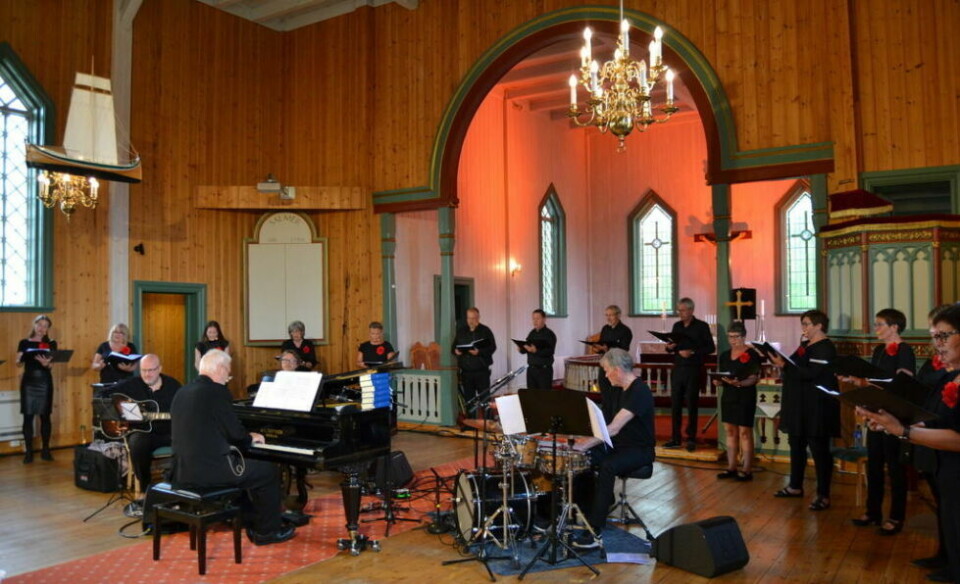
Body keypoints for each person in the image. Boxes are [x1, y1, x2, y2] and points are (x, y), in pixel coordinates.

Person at [859, 304, 960, 583]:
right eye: (933, 336)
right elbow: (936, 416)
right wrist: (894, 423)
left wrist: (903, 430)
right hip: (944, 462)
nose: (935, 344)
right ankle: (950, 560)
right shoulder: (951, 375)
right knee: (949, 515)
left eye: (942, 336)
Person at [170, 350, 295, 546]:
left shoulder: (182, 391)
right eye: (228, 371)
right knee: (267, 470)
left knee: (248, 467)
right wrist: (250, 437)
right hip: (210, 471)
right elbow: (235, 434)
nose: (228, 376)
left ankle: (249, 518)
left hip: (182, 470)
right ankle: (267, 532)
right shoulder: (217, 392)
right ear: (219, 369)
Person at [571, 348, 655, 550]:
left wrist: (586, 443)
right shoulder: (617, 390)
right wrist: (580, 436)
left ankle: (595, 530)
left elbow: (614, 428)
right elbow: (603, 422)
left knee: (607, 465)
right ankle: (592, 506)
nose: (606, 375)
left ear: (617, 370)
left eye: (607, 370)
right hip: (619, 446)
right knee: (584, 459)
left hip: (640, 450)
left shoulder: (639, 391)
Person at [848, 309, 916, 535]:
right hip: (876, 414)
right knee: (875, 465)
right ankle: (873, 512)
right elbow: (874, 383)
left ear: (894, 327)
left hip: (894, 416)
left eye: (879, 324)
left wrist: (887, 413)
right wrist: (860, 390)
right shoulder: (878, 350)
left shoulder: (905, 351)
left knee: (895, 469)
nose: (875, 328)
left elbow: (902, 386)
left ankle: (896, 517)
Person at [766, 309, 839, 512]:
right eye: (803, 324)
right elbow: (793, 363)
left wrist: (786, 367)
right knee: (796, 445)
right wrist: (779, 361)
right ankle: (795, 486)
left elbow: (811, 374)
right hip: (799, 405)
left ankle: (823, 495)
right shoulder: (805, 345)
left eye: (806, 324)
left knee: (819, 451)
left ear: (818, 326)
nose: (803, 328)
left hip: (817, 407)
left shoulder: (826, 348)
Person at [109, 354, 181, 504]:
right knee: (137, 443)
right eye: (143, 370)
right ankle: (144, 489)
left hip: (168, 431)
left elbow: (184, 409)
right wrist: (121, 412)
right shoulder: (132, 384)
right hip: (142, 432)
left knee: (186, 441)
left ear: (160, 369)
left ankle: (175, 485)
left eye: (151, 370)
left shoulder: (173, 386)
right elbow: (106, 395)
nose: (147, 374)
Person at [663, 298, 716, 451]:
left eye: (683, 310)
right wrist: (669, 347)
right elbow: (672, 346)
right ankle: (675, 438)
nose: (680, 313)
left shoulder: (701, 326)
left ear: (691, 310)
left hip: (693, 369)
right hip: (678, 368)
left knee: (692, 404)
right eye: (679, 310)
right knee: (675, 405)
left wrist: (692, 352)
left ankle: (691, 438)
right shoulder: (677, 326)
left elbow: (710, 348)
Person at [714, 322, 762, 481]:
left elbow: (753, 378)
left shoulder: (752, 354)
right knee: (730, 431)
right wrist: (718, 381)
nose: (732, 340)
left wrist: (740, 383)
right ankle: (731, 467)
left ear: (743, 336)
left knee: (745, 433)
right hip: (728, 396)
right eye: (730, 337)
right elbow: (723, 376)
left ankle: (747, 470)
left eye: (735, 337)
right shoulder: (725, 355)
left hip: (745, 396)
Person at [17, 315, 57, 464]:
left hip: (44, 381)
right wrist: (20, 359)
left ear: (48, 329)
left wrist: (46, 363)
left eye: (45, 326)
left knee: (45, 416)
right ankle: (29, 452)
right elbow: (18, 362)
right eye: (39, 325)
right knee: (28, 416)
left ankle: (45, 450)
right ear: (34, 325)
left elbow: (51, 365)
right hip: (28, 382)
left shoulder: (51, 344)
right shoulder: (24, 342)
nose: (42, 328)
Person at [452, 307, 497, 415]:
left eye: (473, 318)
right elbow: (453, 347)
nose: (470, 321)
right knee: (469, 399)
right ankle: (470, 425)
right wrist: (456, 351)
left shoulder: (485, 331)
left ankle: (488, 424)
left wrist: (479, 352)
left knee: (485, 398)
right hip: (466, 372)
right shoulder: (461, 331)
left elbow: (492, 347)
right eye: (468, 318)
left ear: (478, 317)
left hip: (481, 371)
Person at [595, 305, 633, 422]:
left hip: (617, 368)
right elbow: (602, 345)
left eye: (611, 315)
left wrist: (609, 349)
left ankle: (616, 424)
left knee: (616, 397)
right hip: (605, 367)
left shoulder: (625, 330)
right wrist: (599, 348)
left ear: (618, 315)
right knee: (605, 397)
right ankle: (606, 424)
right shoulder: (605, 329)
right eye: (607, 315)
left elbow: (624, 350)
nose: (608, 318)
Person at [518, 309, 557, 390]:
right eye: (533, 319)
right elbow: (527, 347)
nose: (535, 321)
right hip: (531, 370)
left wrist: (536, 351)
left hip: (544, 370)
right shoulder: (532, 333)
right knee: (532, 396)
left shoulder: (549, 334)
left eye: (537, 318)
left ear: (544, 319)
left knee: (543, 397)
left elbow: (550, 351)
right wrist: (521, 349)